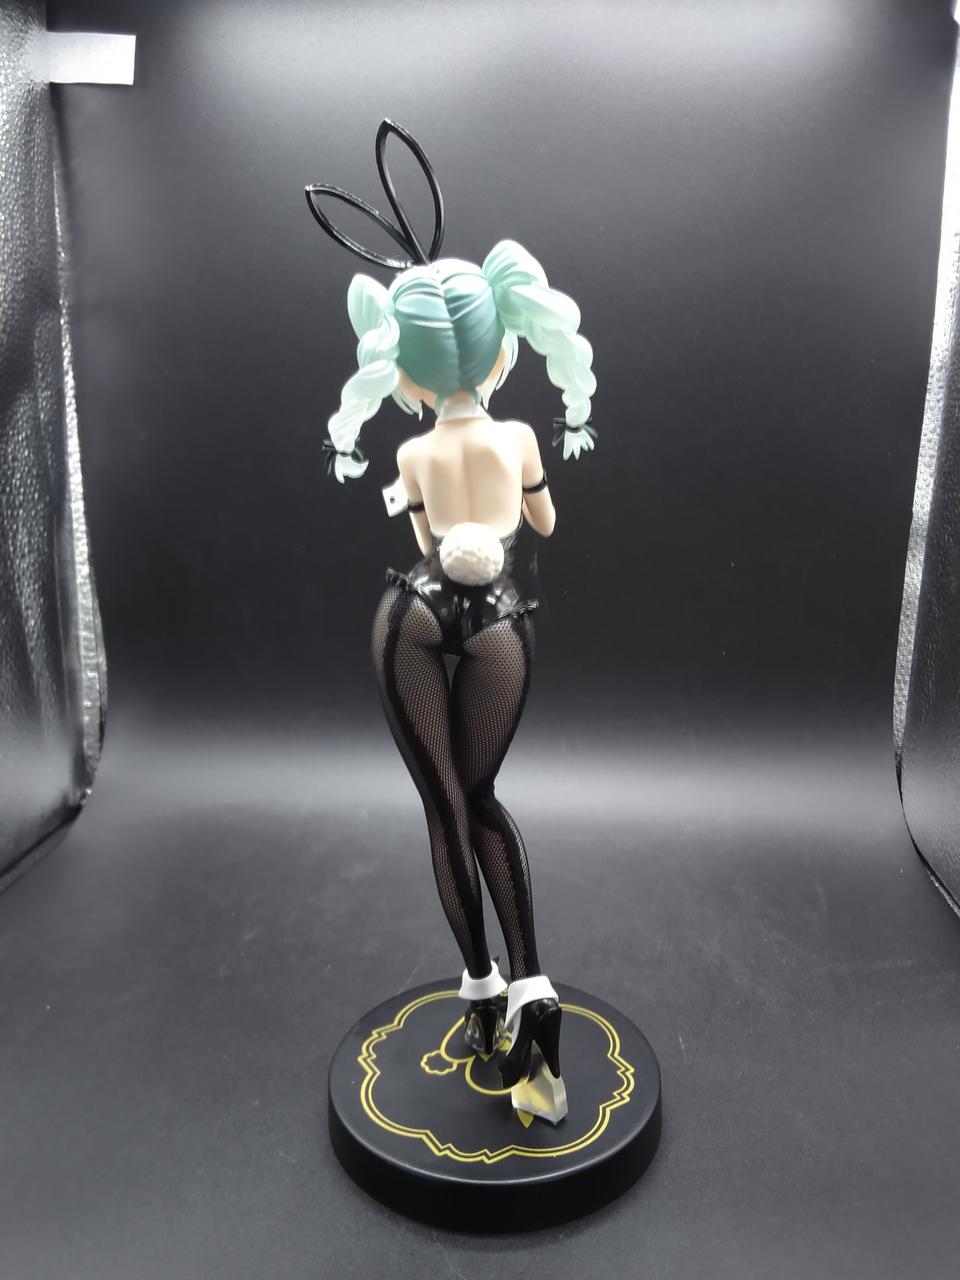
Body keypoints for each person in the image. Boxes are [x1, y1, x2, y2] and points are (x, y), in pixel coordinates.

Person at [307, 122, 596, 1120]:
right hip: (501, 618)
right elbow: (541, 525)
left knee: (442, 808)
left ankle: (479, 989)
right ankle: (530, 988)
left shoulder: (414, 456)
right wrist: (523, 493)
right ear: (504, 348)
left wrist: (430, 513)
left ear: (409, 374)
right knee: (483, 800)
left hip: (417, 613)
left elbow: (431, 537)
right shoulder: (518, 438)